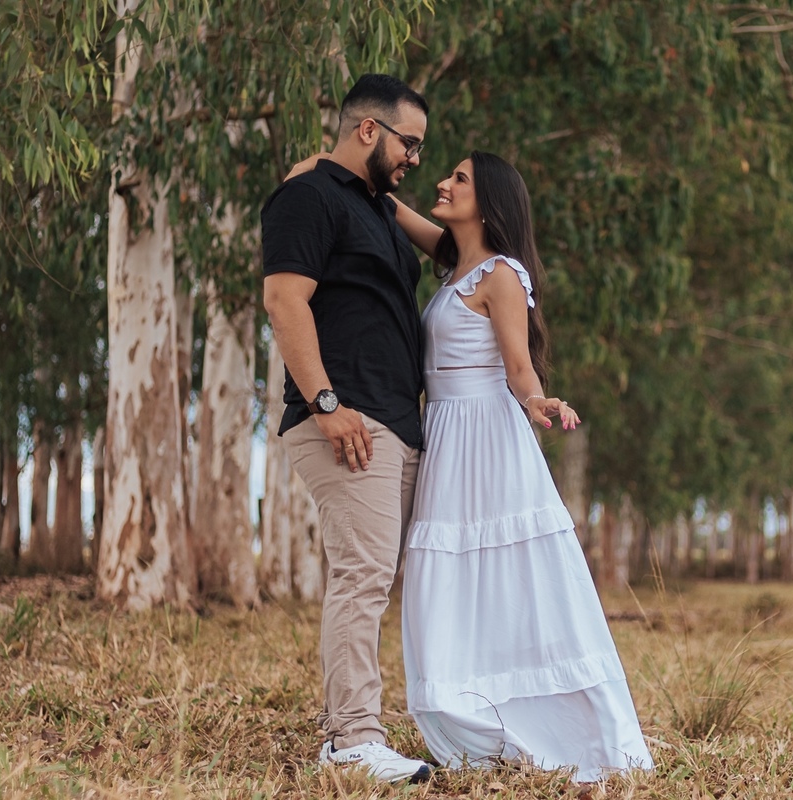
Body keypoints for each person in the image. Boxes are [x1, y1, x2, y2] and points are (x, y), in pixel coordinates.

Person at [395, 152, 655, 781]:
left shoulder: (502, 274)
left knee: (511, 572)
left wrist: (538, 400)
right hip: (447, 435)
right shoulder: (454, 265)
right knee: (449, 572)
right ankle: (467, 707)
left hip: (487, 434)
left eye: (460, 179)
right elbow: (393, 209)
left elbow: (517, 365)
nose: (443, 183)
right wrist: (340, 172)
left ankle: (567, 727)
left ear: (488, 204)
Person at [260, 74, 432, 784]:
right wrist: (327, 404)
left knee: (381, 578)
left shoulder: (376, 206)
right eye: (409, 144)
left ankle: (375, 726)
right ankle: (352, 741)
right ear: (369, 129)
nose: (415, 158)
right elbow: (283, 299)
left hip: (396, 421)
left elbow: (455, 249)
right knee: (362, 576)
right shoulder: (308, 198)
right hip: (346, 418)